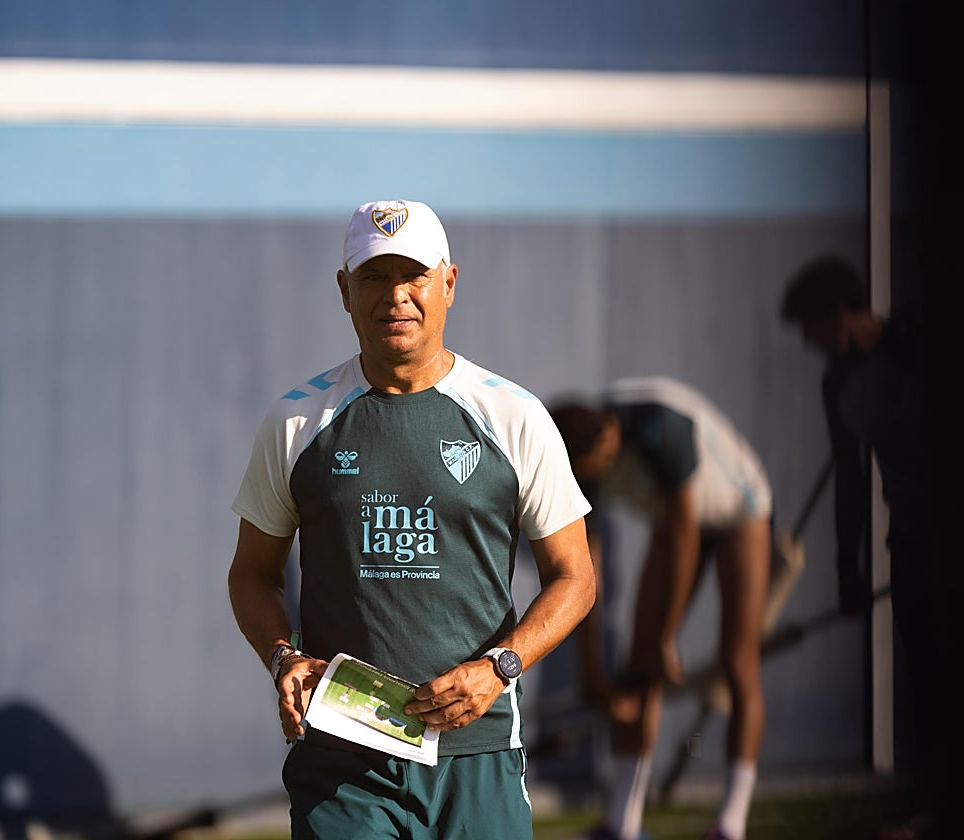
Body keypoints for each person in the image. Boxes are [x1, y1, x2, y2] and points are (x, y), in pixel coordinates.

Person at [227, 199, 597, 839]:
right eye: (373, 276)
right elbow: (251, 575)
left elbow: (576, 577)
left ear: (448, 283)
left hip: (478, 751)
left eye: (414, 275)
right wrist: (282, 657)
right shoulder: (296, 421)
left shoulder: (515, 417)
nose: (395, 295)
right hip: (342, 759)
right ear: (344, 290)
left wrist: (500, 669)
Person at [549, 376, 773, 840]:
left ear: (607, 442)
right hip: (673, 527)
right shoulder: (581, 459)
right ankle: (622, 825)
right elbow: (585, 569)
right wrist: (593, 672)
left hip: (739, 514)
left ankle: (731, 825)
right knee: (639, 666)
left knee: (739, 662)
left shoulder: (658, 426)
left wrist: (665, 637)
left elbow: (686, 532)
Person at [780, 254, 940, 839]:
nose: (809, 342)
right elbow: (850, 479)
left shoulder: (919, 340)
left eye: (812, 327)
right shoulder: (838, 385)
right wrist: (847, 565)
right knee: (928, 677)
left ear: (840, 314)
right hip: (912, 537)